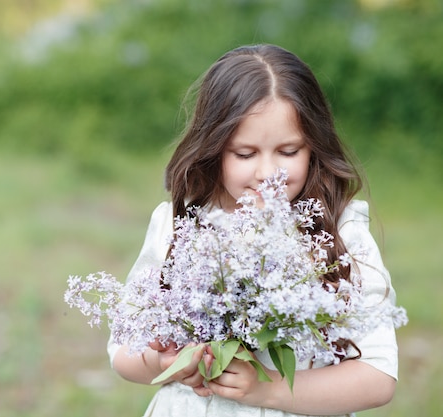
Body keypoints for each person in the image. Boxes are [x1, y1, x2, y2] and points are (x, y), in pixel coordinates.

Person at [107, 44, 401, 417]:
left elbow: (378, 377)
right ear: (213, 148)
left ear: (314, 146)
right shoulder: (180, 223)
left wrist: (268, 390)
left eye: (289, 151)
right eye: (245, 154)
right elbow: (121, 352)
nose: (267, 173)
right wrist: (166, 363)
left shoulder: (339, 232)